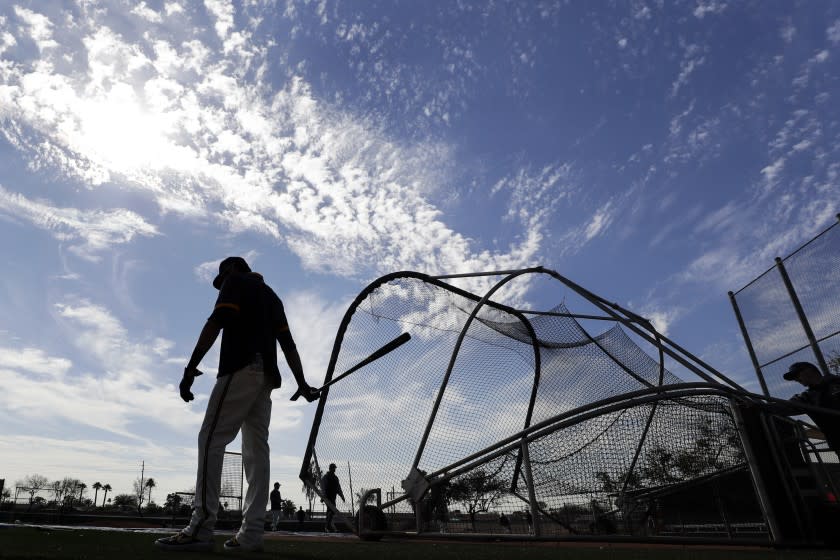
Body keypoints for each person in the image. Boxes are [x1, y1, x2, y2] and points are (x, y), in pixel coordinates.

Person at [155, 256, 320, 552]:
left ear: (231, 269)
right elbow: (289, 344)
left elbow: (216, 321)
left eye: (221, 279)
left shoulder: (235, 281)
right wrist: (302, 383)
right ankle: (252, 534)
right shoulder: (272, 295)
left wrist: (190, 367)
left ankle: (201, 528)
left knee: (210, 438)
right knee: (257, 452)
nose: (221, 285)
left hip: (241, 367)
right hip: (266, 377)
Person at [782, 361, 840, 453]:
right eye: (794, 378)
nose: (796, 379)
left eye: (797, 374)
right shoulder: (806, 398)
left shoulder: (837, 381)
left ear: (810, 370)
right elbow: (782, 406)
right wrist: (755, 403)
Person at [320, 463, 345, 532]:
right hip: (328, 497)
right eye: (333, 468)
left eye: (335, 468)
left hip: (333, 497)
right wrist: (323, 496)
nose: (334, 469)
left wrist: (342, 496)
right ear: (330, 468)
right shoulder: (326, 477)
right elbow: (323, 487)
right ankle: (328, 527)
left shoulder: (335, 478)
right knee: (331, 511)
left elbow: (338, 488)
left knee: (330, 512)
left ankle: (328, 527)